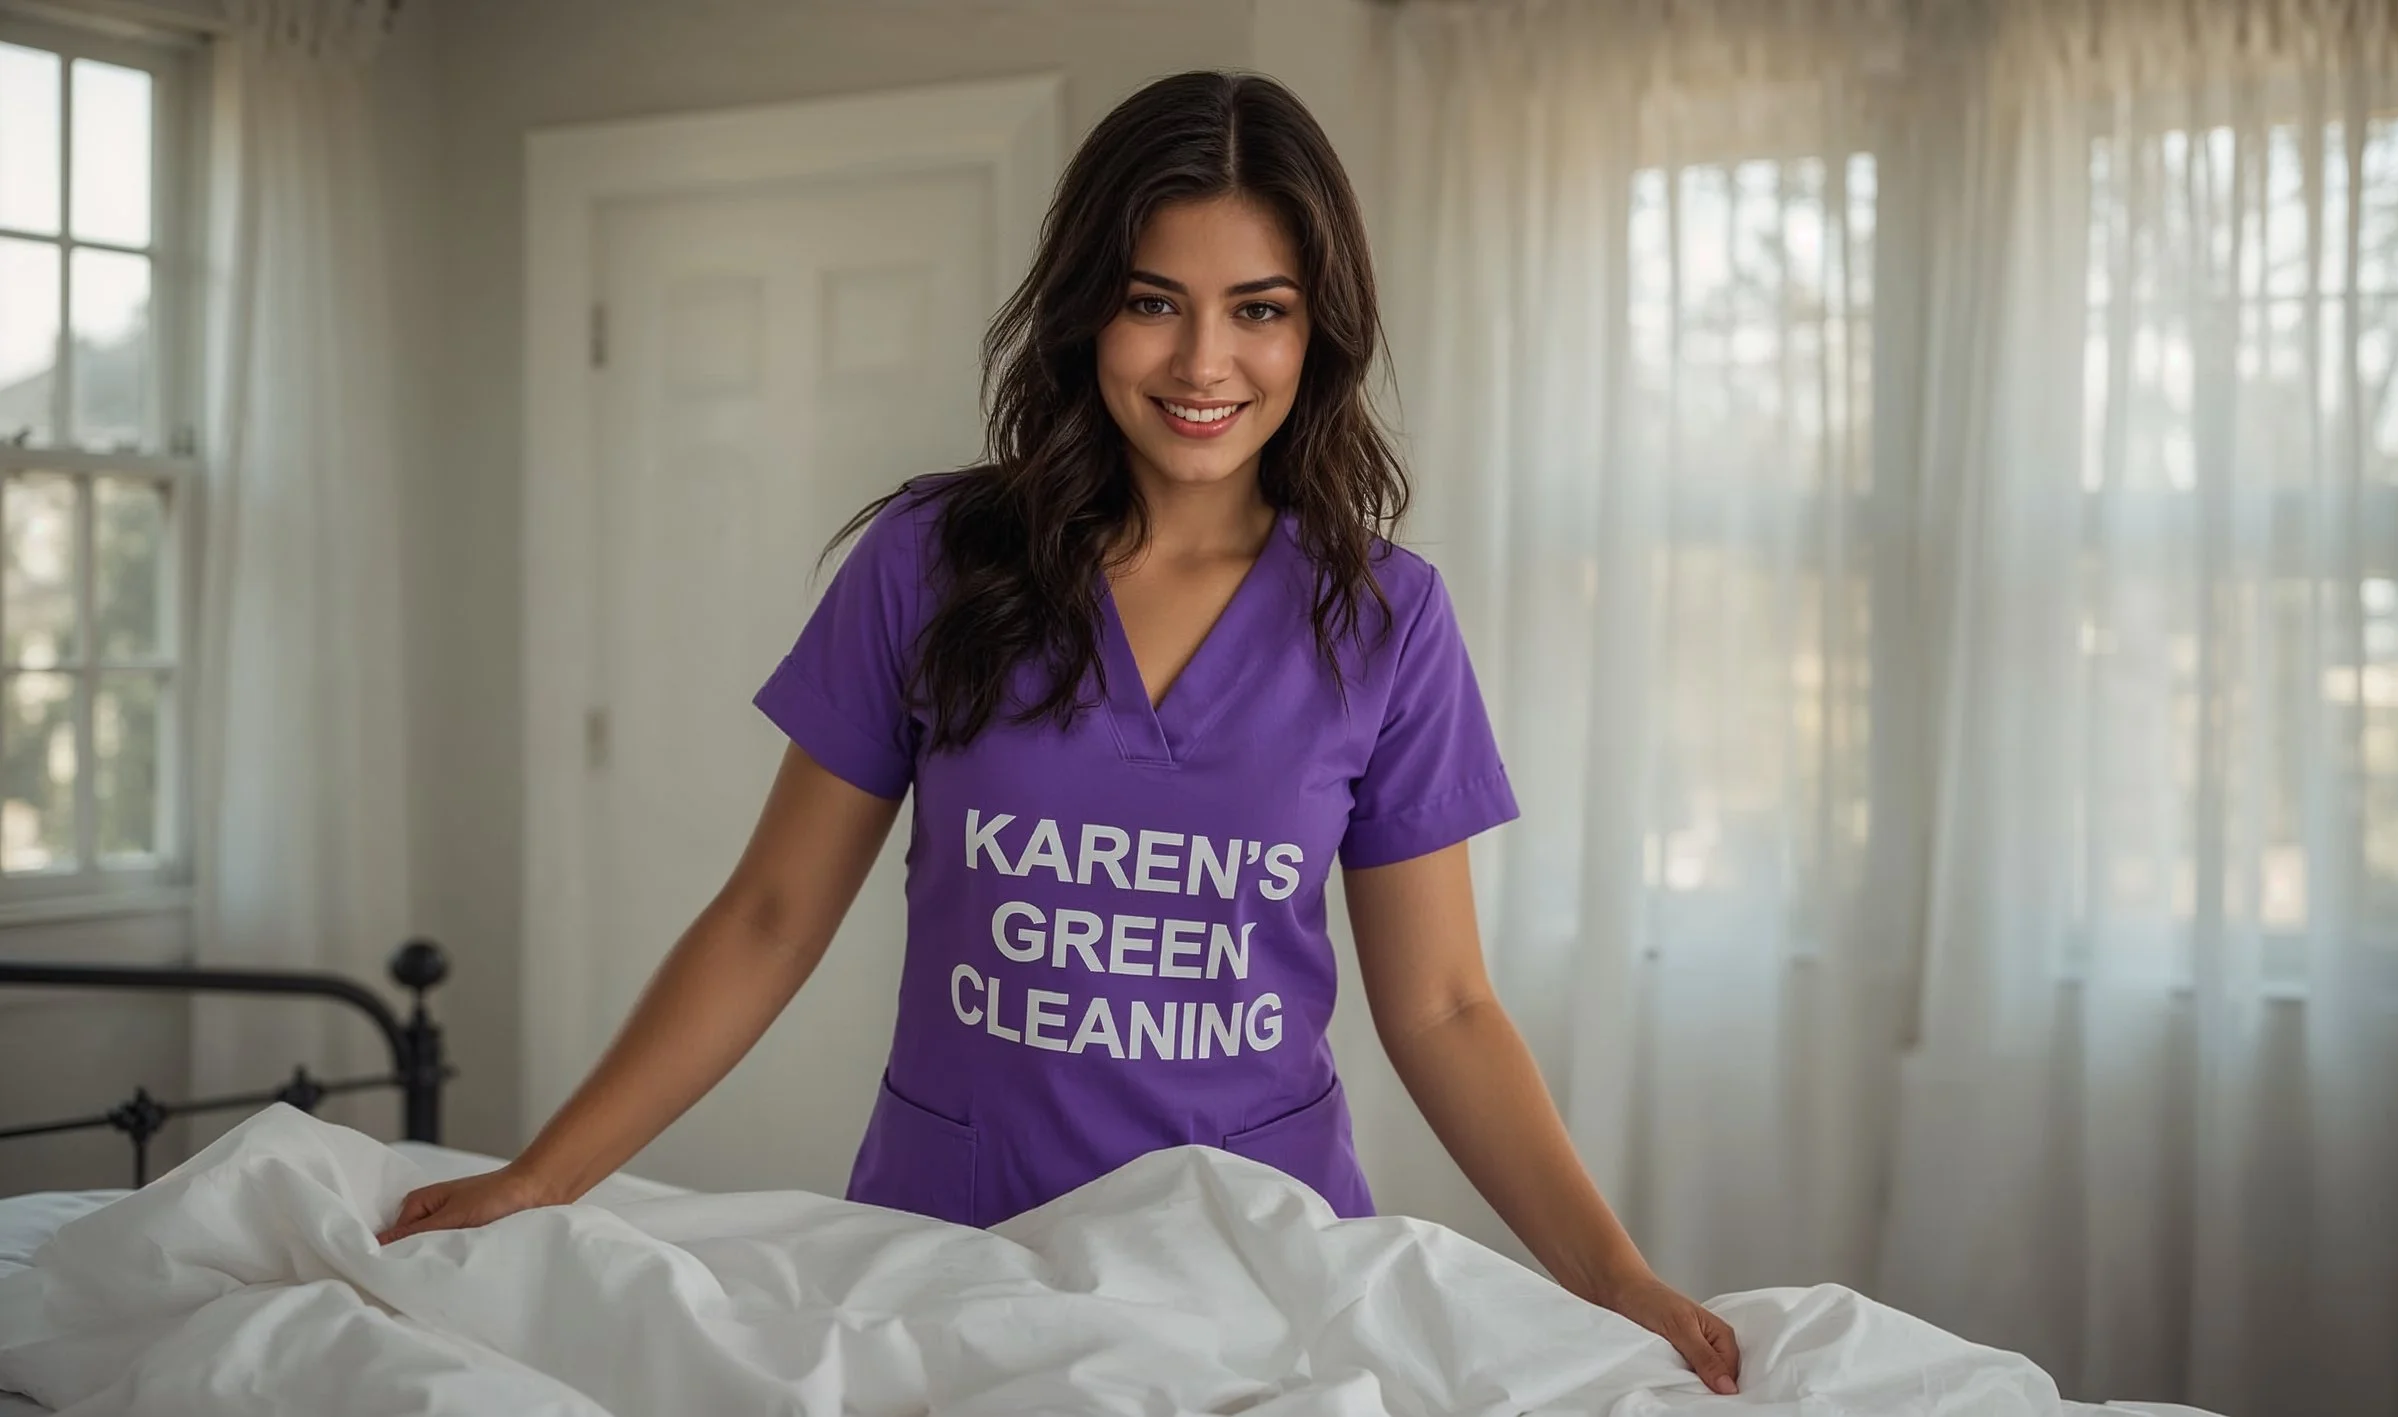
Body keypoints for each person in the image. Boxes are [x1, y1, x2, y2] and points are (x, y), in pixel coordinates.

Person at [378, 69, 1741, 1396]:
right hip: (947, 1248)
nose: (1205, 362)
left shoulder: (1387, 619)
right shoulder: (931, 560)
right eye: (1156, 302)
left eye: (1257, 310)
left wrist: (1612, 1277)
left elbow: (1443, 1007)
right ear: (1088, 311)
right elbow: (773, 916)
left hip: (1256, 1268)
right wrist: (545, 1175)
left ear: (1316, 332)